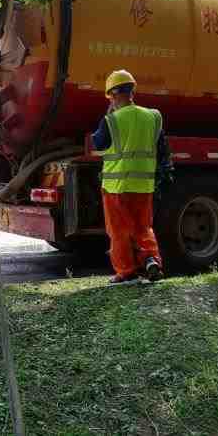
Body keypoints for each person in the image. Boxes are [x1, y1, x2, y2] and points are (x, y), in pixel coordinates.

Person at [91, 69, 173, 283]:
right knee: (143, 227)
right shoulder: (153, 117)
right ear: (131, 91)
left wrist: (109, 115)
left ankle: (126, 271)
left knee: (119, 231)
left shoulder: (111, 120)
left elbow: (98, 143)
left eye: (110, 96)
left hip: (116, 187)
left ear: (114, 94)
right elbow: (162, 147)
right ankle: (152, 260)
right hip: (144, 186)